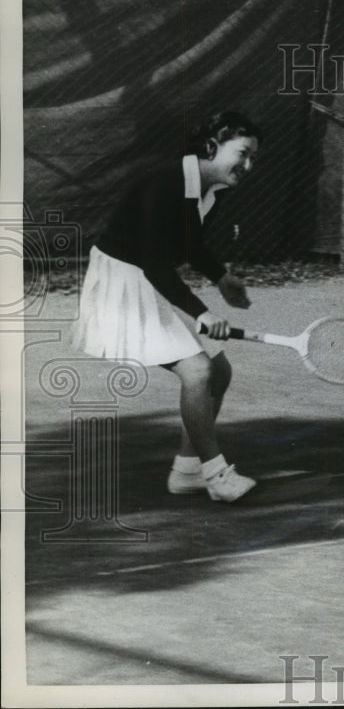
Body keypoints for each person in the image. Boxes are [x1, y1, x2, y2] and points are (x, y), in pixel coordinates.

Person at [72, 111, 261, 502]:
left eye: (254, 158)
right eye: (242, 153)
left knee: (218, 372)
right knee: (197, 370)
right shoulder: (167, 182)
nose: (248, 166)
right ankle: (217, 474)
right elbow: (155, 262)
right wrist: (202, 313)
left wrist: (221, 278)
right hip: (121, 282)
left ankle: (187, 471)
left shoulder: (211, 189)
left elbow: (189, 245)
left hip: (147, 277)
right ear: (211, 146)